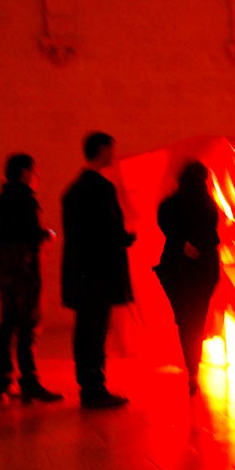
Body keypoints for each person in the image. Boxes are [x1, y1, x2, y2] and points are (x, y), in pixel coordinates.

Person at [62, 132, 135, 408]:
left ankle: (87, 384)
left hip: (80, 271)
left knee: (84, 329)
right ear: (102, 149)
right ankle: (95, 388)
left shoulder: (73, 190)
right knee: (96, 331)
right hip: (99, 273)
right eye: (112, 148)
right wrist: (126, 237)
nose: (114, 154)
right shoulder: (101, 189)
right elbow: (107, 231)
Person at [0, 154, 63, 403]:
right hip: (28, 271)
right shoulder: (27, 200)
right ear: (25, 172)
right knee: (29, 326)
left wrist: (4, 259)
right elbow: (34, 235)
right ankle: (29, 381)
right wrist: (48, 236)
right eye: (35, 172)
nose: (36, 178)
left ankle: (2, 380)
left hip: (5, 272)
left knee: (7, 323)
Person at [155, 161, 220, 396]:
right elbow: (212, 234)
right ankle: (193, 366)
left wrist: (182, 244)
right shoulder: (208, 204)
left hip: (176, 267)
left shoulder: (169, 205)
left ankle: (190, 366)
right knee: (198, 317)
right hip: (204, 267)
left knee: (184, 318)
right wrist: (197, 246)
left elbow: (166, 227)